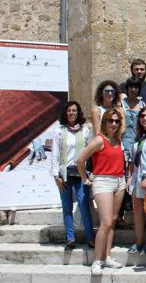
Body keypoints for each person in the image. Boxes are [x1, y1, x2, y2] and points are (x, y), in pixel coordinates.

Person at [76, 109, 126, 275]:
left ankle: (107, 257)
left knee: (112, 221)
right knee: (105, 222)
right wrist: (85, 178)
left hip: (119, 181)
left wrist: (121, 113)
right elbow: (80, 159)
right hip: (103, 181)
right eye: (110, 120)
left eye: (116, 121)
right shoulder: (99, 140)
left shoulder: (118, 139)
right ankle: (96, 261)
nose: (114, 123)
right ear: (104, 122)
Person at [50, 101, 95, 250]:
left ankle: (90, 238)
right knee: (67, 207)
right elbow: (55, 155)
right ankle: (70, 238)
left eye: (74, 111)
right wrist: (56, 176)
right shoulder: (59, 131)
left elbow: (90, 154)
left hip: (81, 174)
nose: (71, 113)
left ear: (78, 113)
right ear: (65, 113)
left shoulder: (85, 131)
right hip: (64, 174)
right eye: (69, 110)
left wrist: (90, 174)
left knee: (83, 205)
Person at [126, 107, 146, 255]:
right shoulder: (139, 136)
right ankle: (138, 241)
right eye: (142, 116)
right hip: (136, 179)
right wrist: (129, 177)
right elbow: (133, 160)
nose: (145, 118)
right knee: (137, 212)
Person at [121, 77, 146, 161]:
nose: (133, 89)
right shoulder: (121, 104)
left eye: (136, 87)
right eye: (131, 87)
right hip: (124, 143)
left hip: (138, 142)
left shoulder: (142, 105)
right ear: (127, 88)